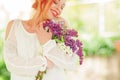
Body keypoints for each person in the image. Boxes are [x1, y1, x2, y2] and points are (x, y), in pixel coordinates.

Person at [4, 0, 79, 80]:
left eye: (62, 7)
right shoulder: (15, 26)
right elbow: (11, 63)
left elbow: (72, 63)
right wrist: (44, 63)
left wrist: (47, 43)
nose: (59, 9)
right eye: (55, 2)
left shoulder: (60, 25)